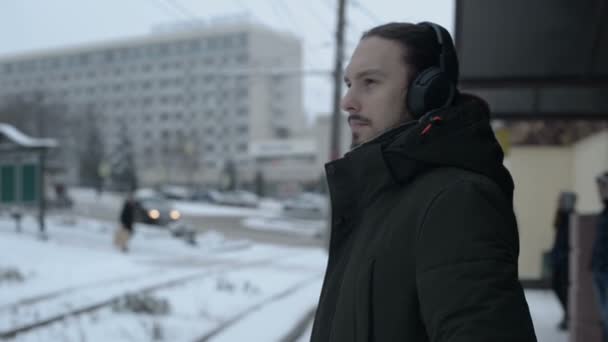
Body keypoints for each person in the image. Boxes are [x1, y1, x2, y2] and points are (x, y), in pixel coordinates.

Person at [310, 22, 537, 341]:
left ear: (427, 91)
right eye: (349, 83)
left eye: (370, 82)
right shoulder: (382, 197)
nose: (348, 101)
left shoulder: (457, 200)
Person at [550, 191, 577, 330]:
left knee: (564, 289)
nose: (559, 202)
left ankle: (568, 316)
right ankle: (567, 315)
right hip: (559, 259)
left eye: (562, 200)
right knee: (556, 287)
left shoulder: (571, 217)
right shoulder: (561, 216)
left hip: (565, 261)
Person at [592, 172, 608, 342]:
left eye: (603, 187)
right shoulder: (604, 211)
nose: (600, 191)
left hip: (605, 269)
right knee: (604, 316)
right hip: (599, 267)